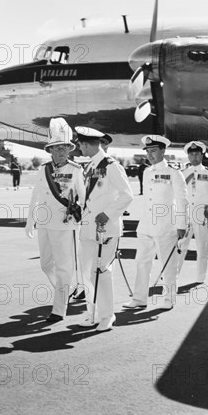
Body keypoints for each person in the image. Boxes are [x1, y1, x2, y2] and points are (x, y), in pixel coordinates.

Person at [25, 118, 85, 322]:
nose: (61, 152)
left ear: (69, 149)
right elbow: (35, 195)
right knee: (46, 264)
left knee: (64, 266)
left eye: (64, 148)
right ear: (50, 150)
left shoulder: (76, 170)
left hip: (65, 224)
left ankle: (59, 309)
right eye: (56, 148)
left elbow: (84, 199)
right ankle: (67, 290)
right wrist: (29, 220)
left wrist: (85, 220)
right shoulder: (43, 169)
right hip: (44, 222)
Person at [75, 126, 133, 331]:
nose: (78, 147)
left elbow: (127, 195)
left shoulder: (111, 166)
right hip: (89, 228)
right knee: (89, 273)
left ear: (88, 144)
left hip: (105, 228)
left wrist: (108, 214)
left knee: (103, 271)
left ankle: (107, 316)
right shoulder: (90, 166)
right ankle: (92, 314)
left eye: (80, 144)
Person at [123, 135, 187, 310]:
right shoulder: (146, 172)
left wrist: (182, 225)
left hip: (166, 226)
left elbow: (182, 200)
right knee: (142, 262)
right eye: (148, 152)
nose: (150, 155)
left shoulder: (174, 173)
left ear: (163, 151)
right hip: (146, 226)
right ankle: (139, 298)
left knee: (168, 264)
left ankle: (169, 298)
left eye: (153, 151)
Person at [175, 141, 208, 284]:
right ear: (188, 156)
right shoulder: (182, 174)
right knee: (180, 247)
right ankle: (173, 276)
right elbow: (176, 196)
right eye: (191, 154)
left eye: (197, 153)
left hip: (202, 215)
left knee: (202, 248)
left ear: (202, 155)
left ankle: (199, 278)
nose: (194, 156)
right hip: (186, 215)